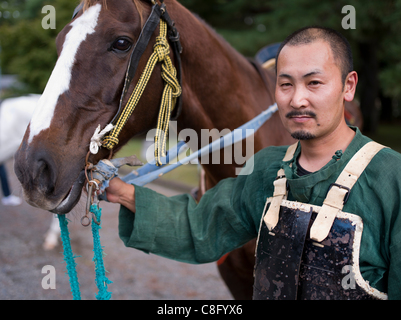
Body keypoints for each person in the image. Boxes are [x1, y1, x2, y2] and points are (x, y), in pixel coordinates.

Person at [103, 26, 401, 300]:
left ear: (348, 86)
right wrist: (120, 191)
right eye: (285, 84)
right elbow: (201, 227)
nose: (297, 99)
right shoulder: (267, 169)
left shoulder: (391, 177)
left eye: (314, 83)